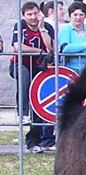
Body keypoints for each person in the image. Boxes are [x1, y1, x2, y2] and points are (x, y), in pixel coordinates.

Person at [9, 1, 56, 153]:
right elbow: (18, 47)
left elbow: (52, 48)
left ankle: (33, 142)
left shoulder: (47, 27)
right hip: (20, 64)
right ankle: (22, 113)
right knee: (24, 78)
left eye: (35, 13)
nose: (33, 17)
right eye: (29, 14)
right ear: (24, 16)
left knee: (38, 100)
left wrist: (42, 29)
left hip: (39, 67)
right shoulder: (20, 26)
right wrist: (39, 51)